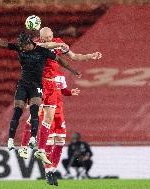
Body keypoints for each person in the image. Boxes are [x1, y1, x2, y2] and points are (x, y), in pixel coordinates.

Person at [0, 32, 81, 153]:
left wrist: (72, 70)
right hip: (23, 84)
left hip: (36, 85)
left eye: (24, 46)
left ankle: (32, 139)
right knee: (17, 111)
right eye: (20, 46)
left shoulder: (42, 51)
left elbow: (59, 60)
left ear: (29, 43)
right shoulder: (20, 47)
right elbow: (4, 44)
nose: (22, 48)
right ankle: (10, 140)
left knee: (34, 110)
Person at [18, 27, 101, 166]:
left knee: (48, 119)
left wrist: (90, 56)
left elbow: (74, 56)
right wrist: (58, 45)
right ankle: (24, 147)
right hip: (38, 83)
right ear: (40, 37)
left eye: (49, 37)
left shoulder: (57, 42)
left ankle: (41, 150)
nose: (47, 39)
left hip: (51, 85)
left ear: (52, 35)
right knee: (35, 115)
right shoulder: (35, 45)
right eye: (44, 38)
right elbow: (46, 46)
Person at [19, 72, 80, 185]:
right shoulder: (40, 75)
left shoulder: (60, 76)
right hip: (46, 111)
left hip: (59, 113)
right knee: (49, 142)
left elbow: (63, 90)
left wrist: (71, 92)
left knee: (60, 142)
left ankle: (53, 170)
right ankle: (48, 171)